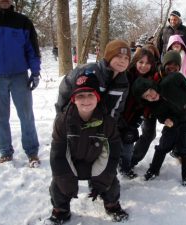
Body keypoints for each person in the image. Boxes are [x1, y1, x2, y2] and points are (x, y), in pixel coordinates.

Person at [47, 74, 128, 224]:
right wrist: (67, 181)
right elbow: (57, 154)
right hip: (71, 163)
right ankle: (61, 210)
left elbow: (112, 153)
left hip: (96, 162)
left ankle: (112, 205)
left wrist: (102, 178)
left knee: (111, 182)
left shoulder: (108, 122)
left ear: (97, 97)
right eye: (80, 95)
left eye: (90, 95)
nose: (85, 100)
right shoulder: (62, 122)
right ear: (74, 99)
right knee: (58, 183)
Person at [0, 0, 41, 166]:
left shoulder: (23, 22)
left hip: (19, 76)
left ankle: (32, 153)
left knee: (26, 116)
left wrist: (35, 72)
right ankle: (5, 152)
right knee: (0, 118)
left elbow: (33, 48)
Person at [132, 71, 186, 187]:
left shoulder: (169, 83)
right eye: (147, 96)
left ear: (153, 86)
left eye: (151, 91)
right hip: (173, 124)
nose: (151, 96)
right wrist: (165, 120)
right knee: (163, 146)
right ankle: (153, 171)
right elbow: (161, 116)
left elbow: (179, 76)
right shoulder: (153, 105)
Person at [55, 39, 131, 124]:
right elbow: (65, 92)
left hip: (100, 126)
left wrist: (111, 129)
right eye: (119, 56)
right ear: (109, 57)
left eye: (126, 58)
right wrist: (61, 117)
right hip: (75, 122)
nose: (122, 61)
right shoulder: (88, 71)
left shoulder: (123, 83)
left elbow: (117, 110)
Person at [119, 48, 157, 179]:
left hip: (135, 117)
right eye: (141, 62)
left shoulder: (152, 78)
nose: (144, 66)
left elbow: (151, 100)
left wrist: (141, 116)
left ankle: (126, 166)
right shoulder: (125, 74)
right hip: (119, 115)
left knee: (128, 146)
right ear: (135, 61)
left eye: (147, 63)